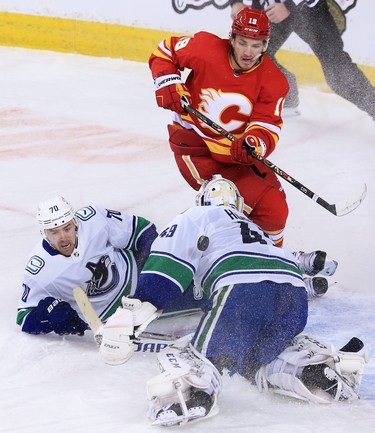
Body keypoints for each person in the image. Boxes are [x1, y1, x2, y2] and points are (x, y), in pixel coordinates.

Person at [95, 175, 366, 426]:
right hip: (293, 293)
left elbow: (164, 271)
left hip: (241, 287)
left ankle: (193, 392)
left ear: (201, 200)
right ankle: (310, 370)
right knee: (255, 358)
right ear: (238, 204)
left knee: (198, 354)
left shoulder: (195, 215)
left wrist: (128, 319)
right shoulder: (251, 227)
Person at [149, 7, 291, 246]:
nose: (248, 51)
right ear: (232, 38)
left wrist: (254, 142)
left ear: (266, 45)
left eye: (256, 45)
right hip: (195, 148)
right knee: (225, 206)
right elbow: (165, 51)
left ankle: (272, 261)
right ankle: (217, 260)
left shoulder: (274, 81)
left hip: (237, 155)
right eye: (243, 42)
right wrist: (167, 82)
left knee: (275, 210)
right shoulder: (206, 48)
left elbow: (267, 124)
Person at [16, 195, 158, 336]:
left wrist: (151, 272)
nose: (64, 237)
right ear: (44, 233)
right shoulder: (39, 270)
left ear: (75, 222)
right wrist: (48, 315)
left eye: (67, 228)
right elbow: (24, 318)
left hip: (140, 280)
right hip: (110, 319)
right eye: (54, 232)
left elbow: (142, 230)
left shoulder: (94, 219)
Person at [230, 0, 375, 120]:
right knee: (253, 53)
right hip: (270, 8)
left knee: (337, 71)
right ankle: (288, 96)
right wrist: (236, 3)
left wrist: (288, 6)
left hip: (308, 11)